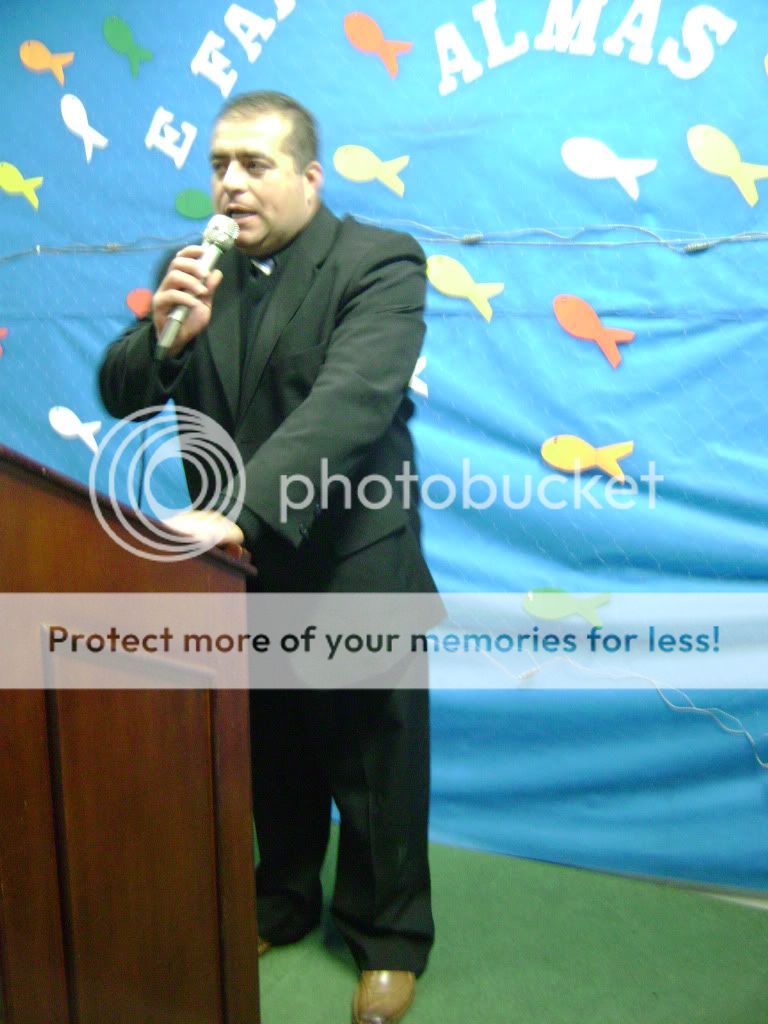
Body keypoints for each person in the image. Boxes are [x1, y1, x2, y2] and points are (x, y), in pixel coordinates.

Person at [99, 91, 437, 1024]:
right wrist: (165, 335)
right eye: (219, 165)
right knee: (273, 758)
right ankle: (282, 901)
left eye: (254, 164)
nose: (232, 183)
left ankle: (387, 938)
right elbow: (123, 391)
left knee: (374, 768)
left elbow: (350, 401)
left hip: (353, 562)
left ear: (309, 177)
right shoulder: (193, 269)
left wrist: (240, 510)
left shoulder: (380, 262)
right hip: (244, 577)